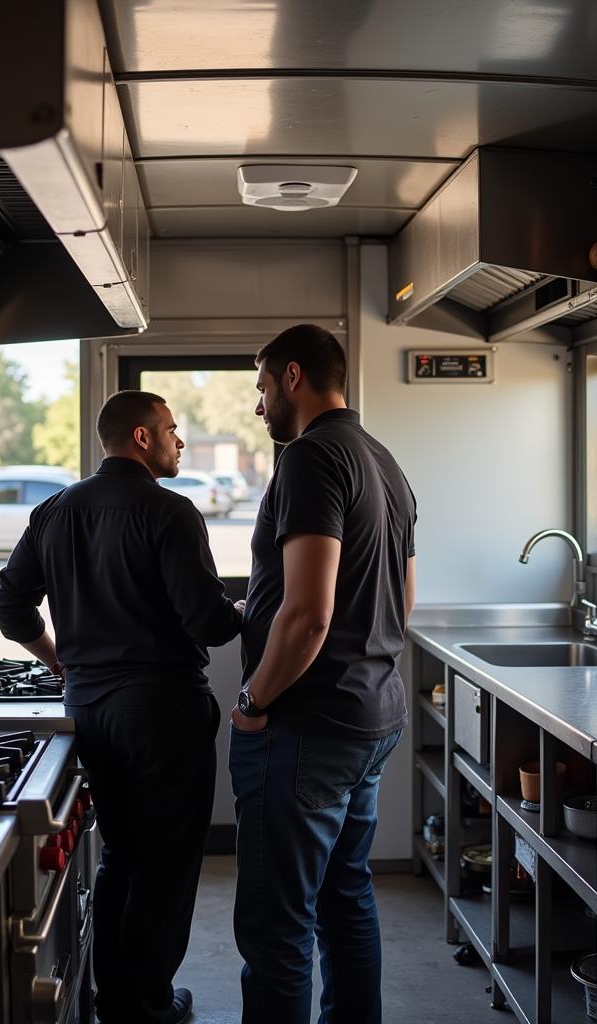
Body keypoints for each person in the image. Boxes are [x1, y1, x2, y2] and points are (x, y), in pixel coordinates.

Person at [0, 390, 242, 1024]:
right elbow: (207, 623)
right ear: (140, 437)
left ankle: (116, 1000)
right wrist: (246, 609)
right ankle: (147, 1005)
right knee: (166, 865)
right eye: (171, 430)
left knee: (122, 856)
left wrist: (58, 660)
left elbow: (9, 608)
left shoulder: (55, 509)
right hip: (164, 714)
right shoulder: (171, 512)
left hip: (89, 715)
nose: (179, 441)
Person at [230, 324, 417, 1024]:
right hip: (372, 714)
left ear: (293, 377)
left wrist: (252, 700)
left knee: (279, 925)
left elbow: (309, 616)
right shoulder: (384, 461)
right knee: (346, 898)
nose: (259, 407)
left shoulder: (309, 459)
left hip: (306, 729)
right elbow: (399, 599)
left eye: (260, 388)